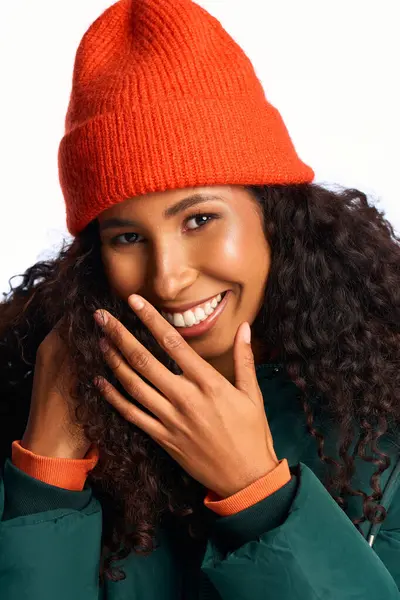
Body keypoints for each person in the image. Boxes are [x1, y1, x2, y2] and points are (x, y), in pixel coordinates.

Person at [0, 0, 399, 598]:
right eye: (128, 236)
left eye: (199, 219)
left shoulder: (382, 393)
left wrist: (256, 493)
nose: (168, 278)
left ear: (275, 216)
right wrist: (47, 476)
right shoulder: (36, 378)